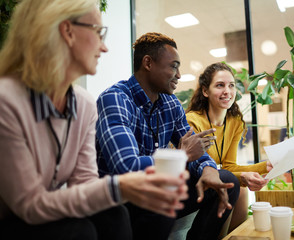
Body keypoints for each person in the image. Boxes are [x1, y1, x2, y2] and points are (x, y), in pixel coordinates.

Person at [0, 1, 188, 240]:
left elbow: (85, 184)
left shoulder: (84, 104)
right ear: (67, 31)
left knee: (115, 214)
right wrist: (121, 186)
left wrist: (133, 188)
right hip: (12, 220)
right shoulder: (7, 101)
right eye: (98, 32)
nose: (104, 47)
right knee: (81, 230)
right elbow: (29, 205)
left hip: (46, 212)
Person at [96, 32, 240, 240]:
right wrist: (181, 156)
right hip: (119, 198)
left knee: (226, 181)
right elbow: (126, 167)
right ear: (148, 63)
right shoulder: (116, 99)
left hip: (153, 188)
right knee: (163, 196)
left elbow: (193, 146)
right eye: (174, 66)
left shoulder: (170, 104)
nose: (179, 75)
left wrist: (208, 169)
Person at [186, 62, 272, 232]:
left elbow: (229, 167)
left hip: (216, 178)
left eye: (231, 85)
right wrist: (243, 176)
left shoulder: (234, 122)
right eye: (220, 85)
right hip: (193, 181)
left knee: (240, 190)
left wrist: (265, 166)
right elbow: (194, 168)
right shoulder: (193, 121)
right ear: (205, 91)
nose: (227, 91)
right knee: (232, 182)